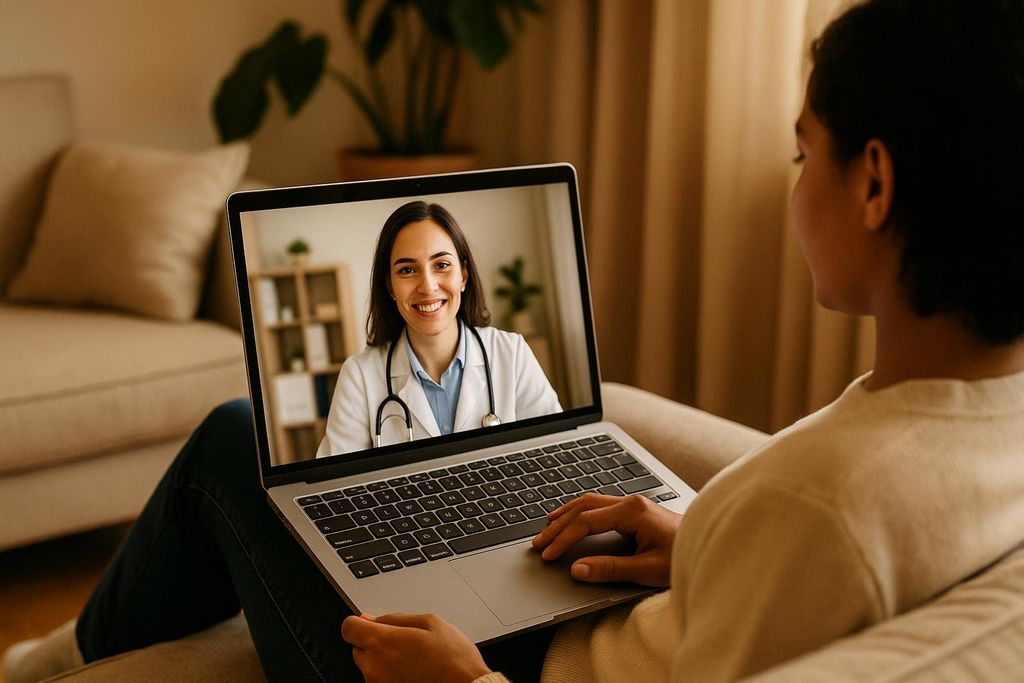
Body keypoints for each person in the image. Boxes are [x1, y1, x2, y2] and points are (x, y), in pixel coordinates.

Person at [5, 0, 1024, 681]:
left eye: (804, 151)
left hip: (510, 664)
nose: (794, 183)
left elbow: (807, 538)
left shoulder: (821, 507)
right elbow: (777, 579)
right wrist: (704, 543)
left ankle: (62, 658)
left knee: (234, 438)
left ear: (875, 182)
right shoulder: (986, 426)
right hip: (584, 603)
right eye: (405, 267)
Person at [314, 200, 561, 456]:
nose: (428, 286)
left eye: (441, 265)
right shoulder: (359, 377)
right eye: (407, 270)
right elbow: (335, 485)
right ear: (390, 287)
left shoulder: (512, 352)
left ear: (463, 276)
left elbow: (555, 455)